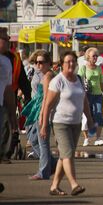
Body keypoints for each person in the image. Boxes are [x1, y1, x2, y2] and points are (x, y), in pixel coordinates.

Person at [40, 51, 94, 196]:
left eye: (73, 61)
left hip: (75, 124)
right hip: (60, 123)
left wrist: (89, 118)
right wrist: (44, 125)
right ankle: (74, 184)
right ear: (62, 64)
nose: (71, 64)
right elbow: (47, 106)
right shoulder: (57, 81)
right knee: (68, 154)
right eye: (67, 62)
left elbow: (84, 101)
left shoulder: (79, 79)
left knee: (64, 156)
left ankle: (54, 186)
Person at [22, 50, 57, 180]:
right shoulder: (40, 73)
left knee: (43, 142)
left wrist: (43, 115)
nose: (38, 65)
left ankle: (43, 172)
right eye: (37, 62)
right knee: (33, 138)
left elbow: (46, 98)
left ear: (48, 63)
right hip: (35, 108)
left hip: (42, 110)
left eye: (41, 62)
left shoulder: (48, 76)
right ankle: (54, 164)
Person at [78, 48, 103, 146]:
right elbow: (78, 81)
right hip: (86, 95)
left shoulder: (99, 68)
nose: (95, 58)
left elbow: (101, 83)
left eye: (96, 56)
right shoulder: (83, 68)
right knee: (86, 117)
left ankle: (98, 138)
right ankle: (86, 138)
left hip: (98, 95)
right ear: (88, 57)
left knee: (98, 115)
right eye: (93, 56)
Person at [0, 48, 13, 164]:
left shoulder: (7, 61)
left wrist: (13, 112)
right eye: (4, 38)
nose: (7, 41)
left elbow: (9, 89)